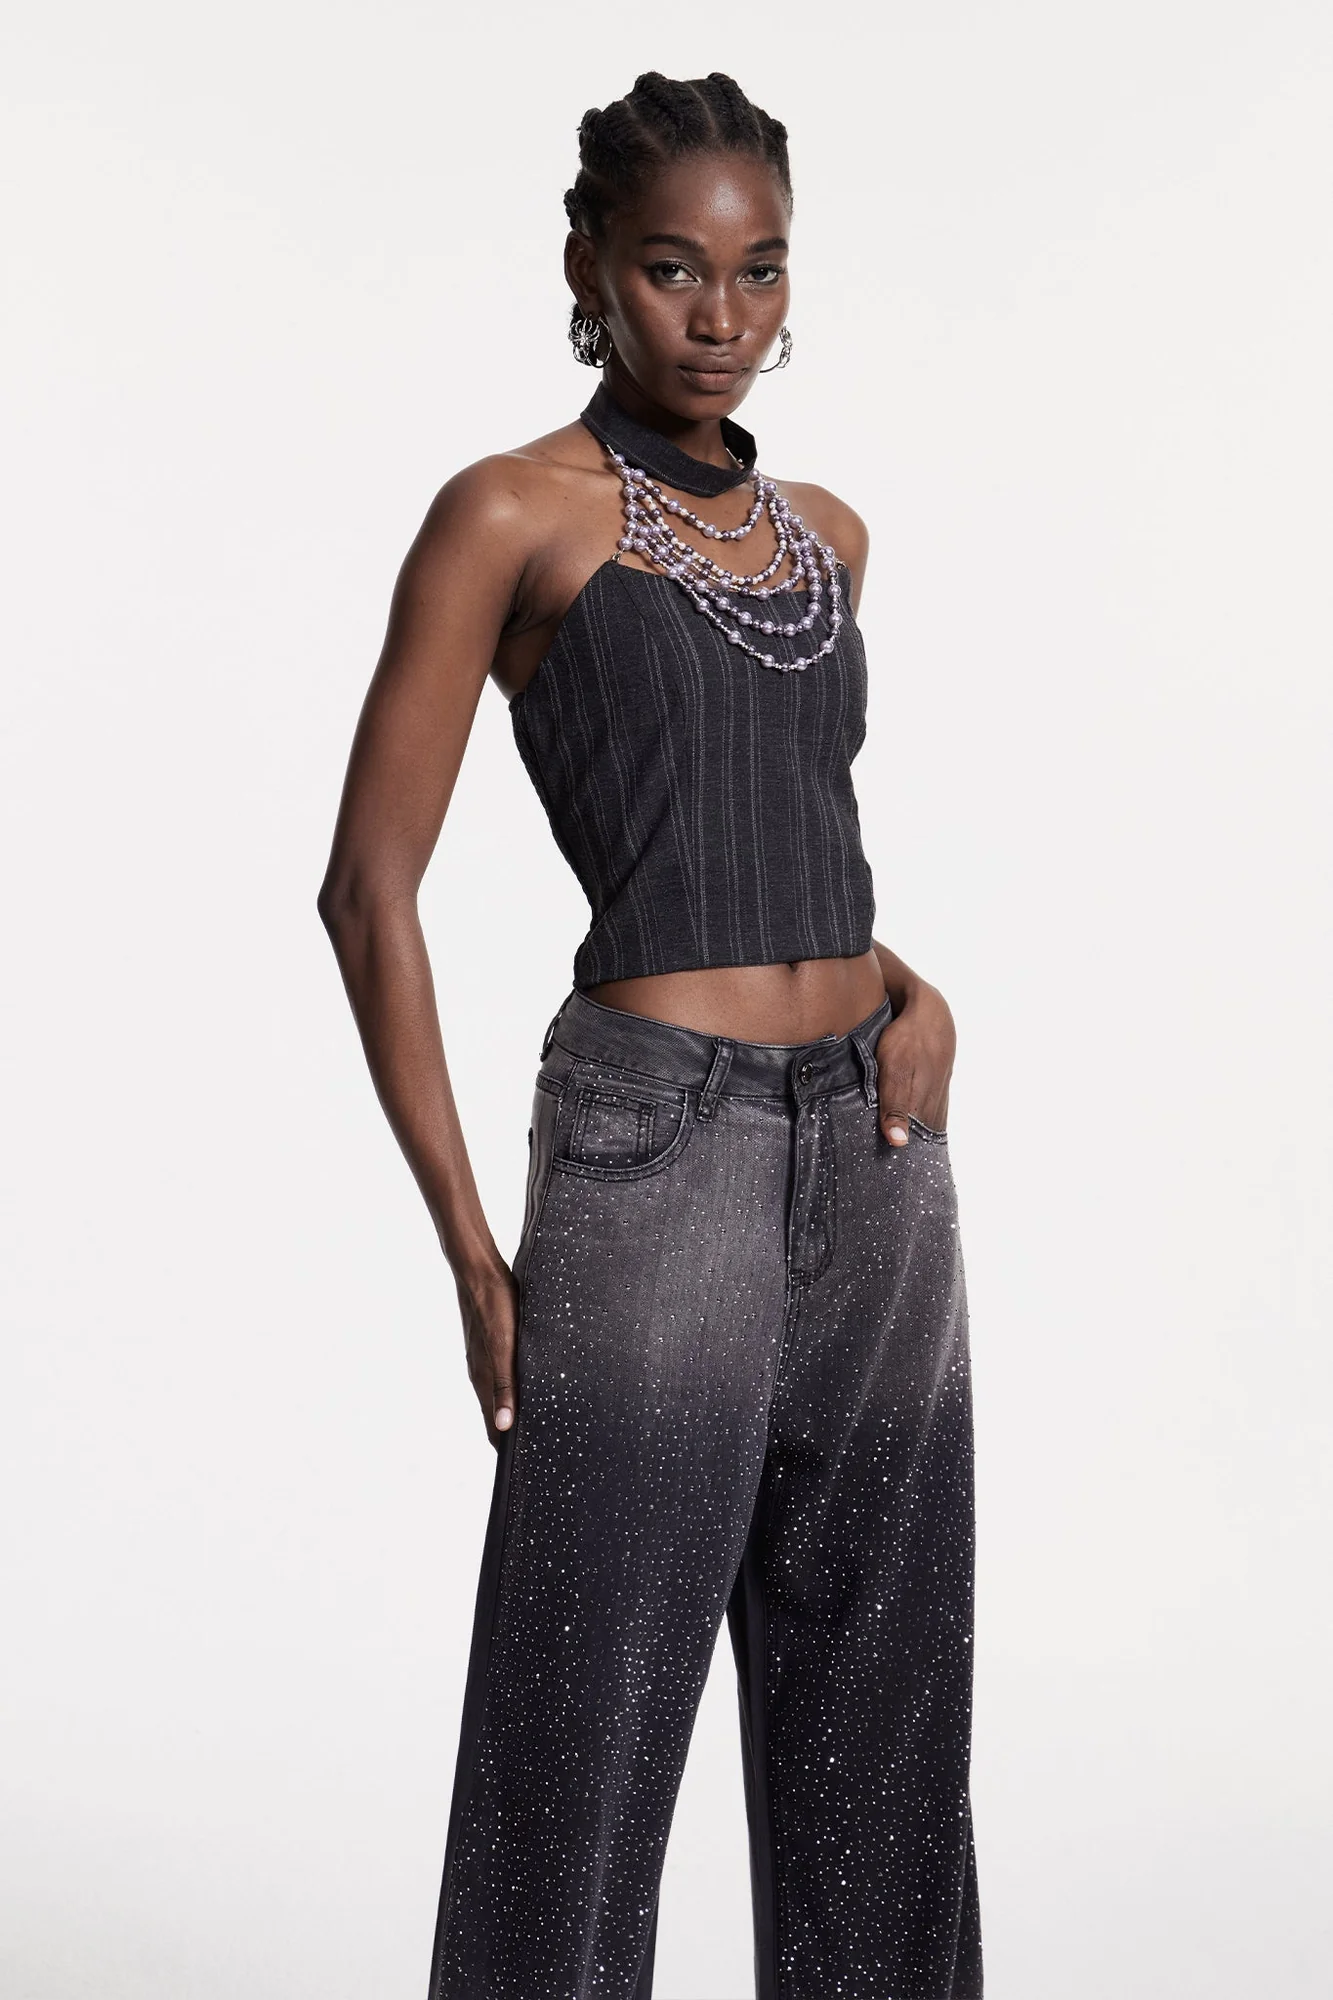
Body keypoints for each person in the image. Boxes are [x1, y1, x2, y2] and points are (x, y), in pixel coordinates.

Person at [318, 69, 982, 2000]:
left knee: (885, 1730)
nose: (720, 314)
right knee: (581, 1737)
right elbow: (367, 890)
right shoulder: (510, 513)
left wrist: (909, 984)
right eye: (674, 268)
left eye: (759, 271)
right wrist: (472, 1251)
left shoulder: (828, 536)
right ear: (588, 268)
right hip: (655, 1152)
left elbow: (770, 840)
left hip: (876, 1158)